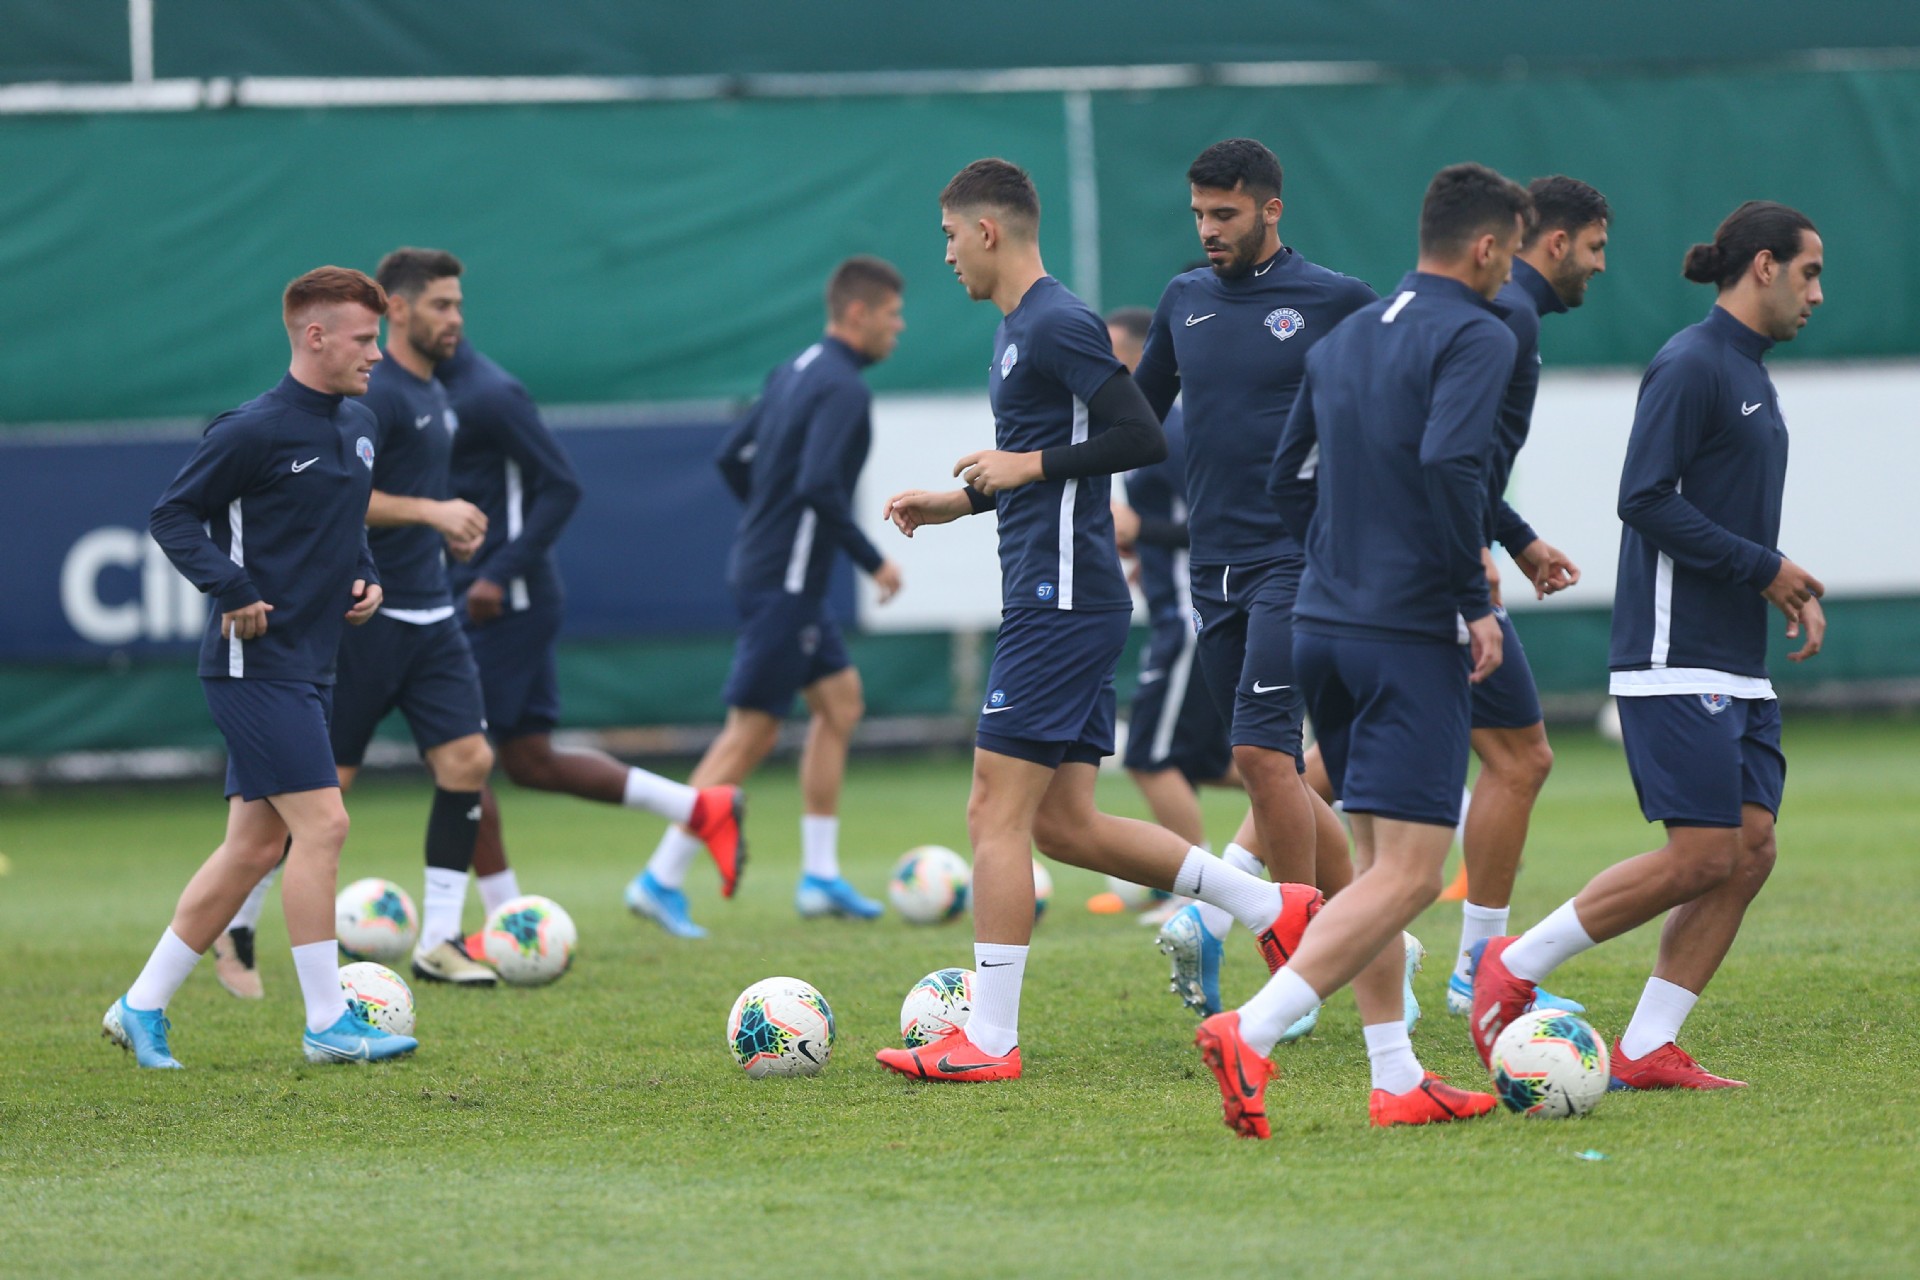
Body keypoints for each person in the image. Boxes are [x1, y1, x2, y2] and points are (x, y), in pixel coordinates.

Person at [874, 158, 1321, 1083]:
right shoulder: (1017, 330)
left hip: (1061, 598)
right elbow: (1047, 457)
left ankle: (990, 1040)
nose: (947, 255)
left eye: (950, 237)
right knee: (1065, 826)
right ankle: (1269, 905)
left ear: (987, 231)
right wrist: (964, 500)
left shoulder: (1056, 321)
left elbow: (1139, 434)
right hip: (1058, 593)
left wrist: (1025, 469)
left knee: (992, 811)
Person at [1194, 163, 1533, 1136]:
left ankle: (1397, 1074)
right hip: (1406, 629)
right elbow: (1453, 461)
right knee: (1414, 873)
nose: (1510, 270)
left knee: (1379, 864)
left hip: (1323, 622)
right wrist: (1469, 600)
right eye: (1510, 251)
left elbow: (1288, 477)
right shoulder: (1479, 333)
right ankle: (1252, 1029)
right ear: (1485, 247)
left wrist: (1341, 559)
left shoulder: (1348, 336)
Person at [1470, 201, 1826, 1090]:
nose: (1818, 293)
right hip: (1675, 652)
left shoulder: (1748, 368)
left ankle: (1644, 1046)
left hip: (1735, 657)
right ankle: (1514, 964)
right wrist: (1766, 569)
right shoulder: (1692, 361)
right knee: (1702, 853)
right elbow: (1645, 499)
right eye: (1810, 272)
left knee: (1750, 850)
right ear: (1764, 266)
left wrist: (1779, 583)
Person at [105, 266, 415, 1067]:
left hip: (312, 664)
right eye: (364, 339)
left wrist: (367, 575)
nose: (377, 354)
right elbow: (172, 515)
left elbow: (347, 523)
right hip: (253, 665)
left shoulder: (359, 425)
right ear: (315, 337)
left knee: (251, 849)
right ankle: (327, 1022)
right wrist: (232, 586)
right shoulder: (252, 430)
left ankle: (141, 1006)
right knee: (325, 826)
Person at [1128, 139, 1395, 1035]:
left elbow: (1398, 411)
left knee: (1260, 755)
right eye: (1199, 215)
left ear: (1271, 210)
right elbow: (1135, 419)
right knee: (1275, 773)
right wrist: (1041, 462)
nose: (1208, 230)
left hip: (1300, 558)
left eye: (1225, 214)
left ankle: (1294, 972)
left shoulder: (1337, 301)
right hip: (1213, 570)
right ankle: (1374, 941)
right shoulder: (1184, 300)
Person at [629, 257, 907, 935]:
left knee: (840, 704)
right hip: (786, 581)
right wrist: (873, 560)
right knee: (750, 732)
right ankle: (660, 877)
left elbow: (732, 456)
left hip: (776, 571)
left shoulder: (795, 368)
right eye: (893, 316)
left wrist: (765, 518)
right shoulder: (844, 389)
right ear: (859, 313)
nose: (898, 329)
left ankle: (820, 877)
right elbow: (817, 486)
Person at [437, 320, 745, 927]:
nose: (450, 317)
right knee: (529, 761)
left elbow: (562, 485)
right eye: (439, 304)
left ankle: (506, 924)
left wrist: (498, 573)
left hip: (503, 603)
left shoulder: (488, 393)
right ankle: (700, 809)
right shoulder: (410, 390)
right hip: (471, 598)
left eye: (454, 304)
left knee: (456, 755)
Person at [1428, 176, 1610, 1016]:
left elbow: (1457, 455)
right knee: (1519, 759)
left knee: (1354, 752)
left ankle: (1238, 884)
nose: (1599, 267)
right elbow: (1450, 453)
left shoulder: (1450, 311)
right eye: (1596, 248)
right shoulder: (1509, 314)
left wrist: (1518, 537)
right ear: (1555, 241)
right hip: (1438, 567)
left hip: (1395, 558)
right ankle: (1479, 970)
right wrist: (1473, 551)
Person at [1100, 305, 1235, 920]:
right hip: (1176, 610)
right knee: (1213, 763)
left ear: (1139, 358)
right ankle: (1342, 794)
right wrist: (1145, 554)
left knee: (1148, 758)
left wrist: (1142, 531)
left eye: (1111, 356)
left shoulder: (1172, 435)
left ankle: (1198, 895)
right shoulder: (1144, 427)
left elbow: (1218, 525)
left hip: (1188, 619)